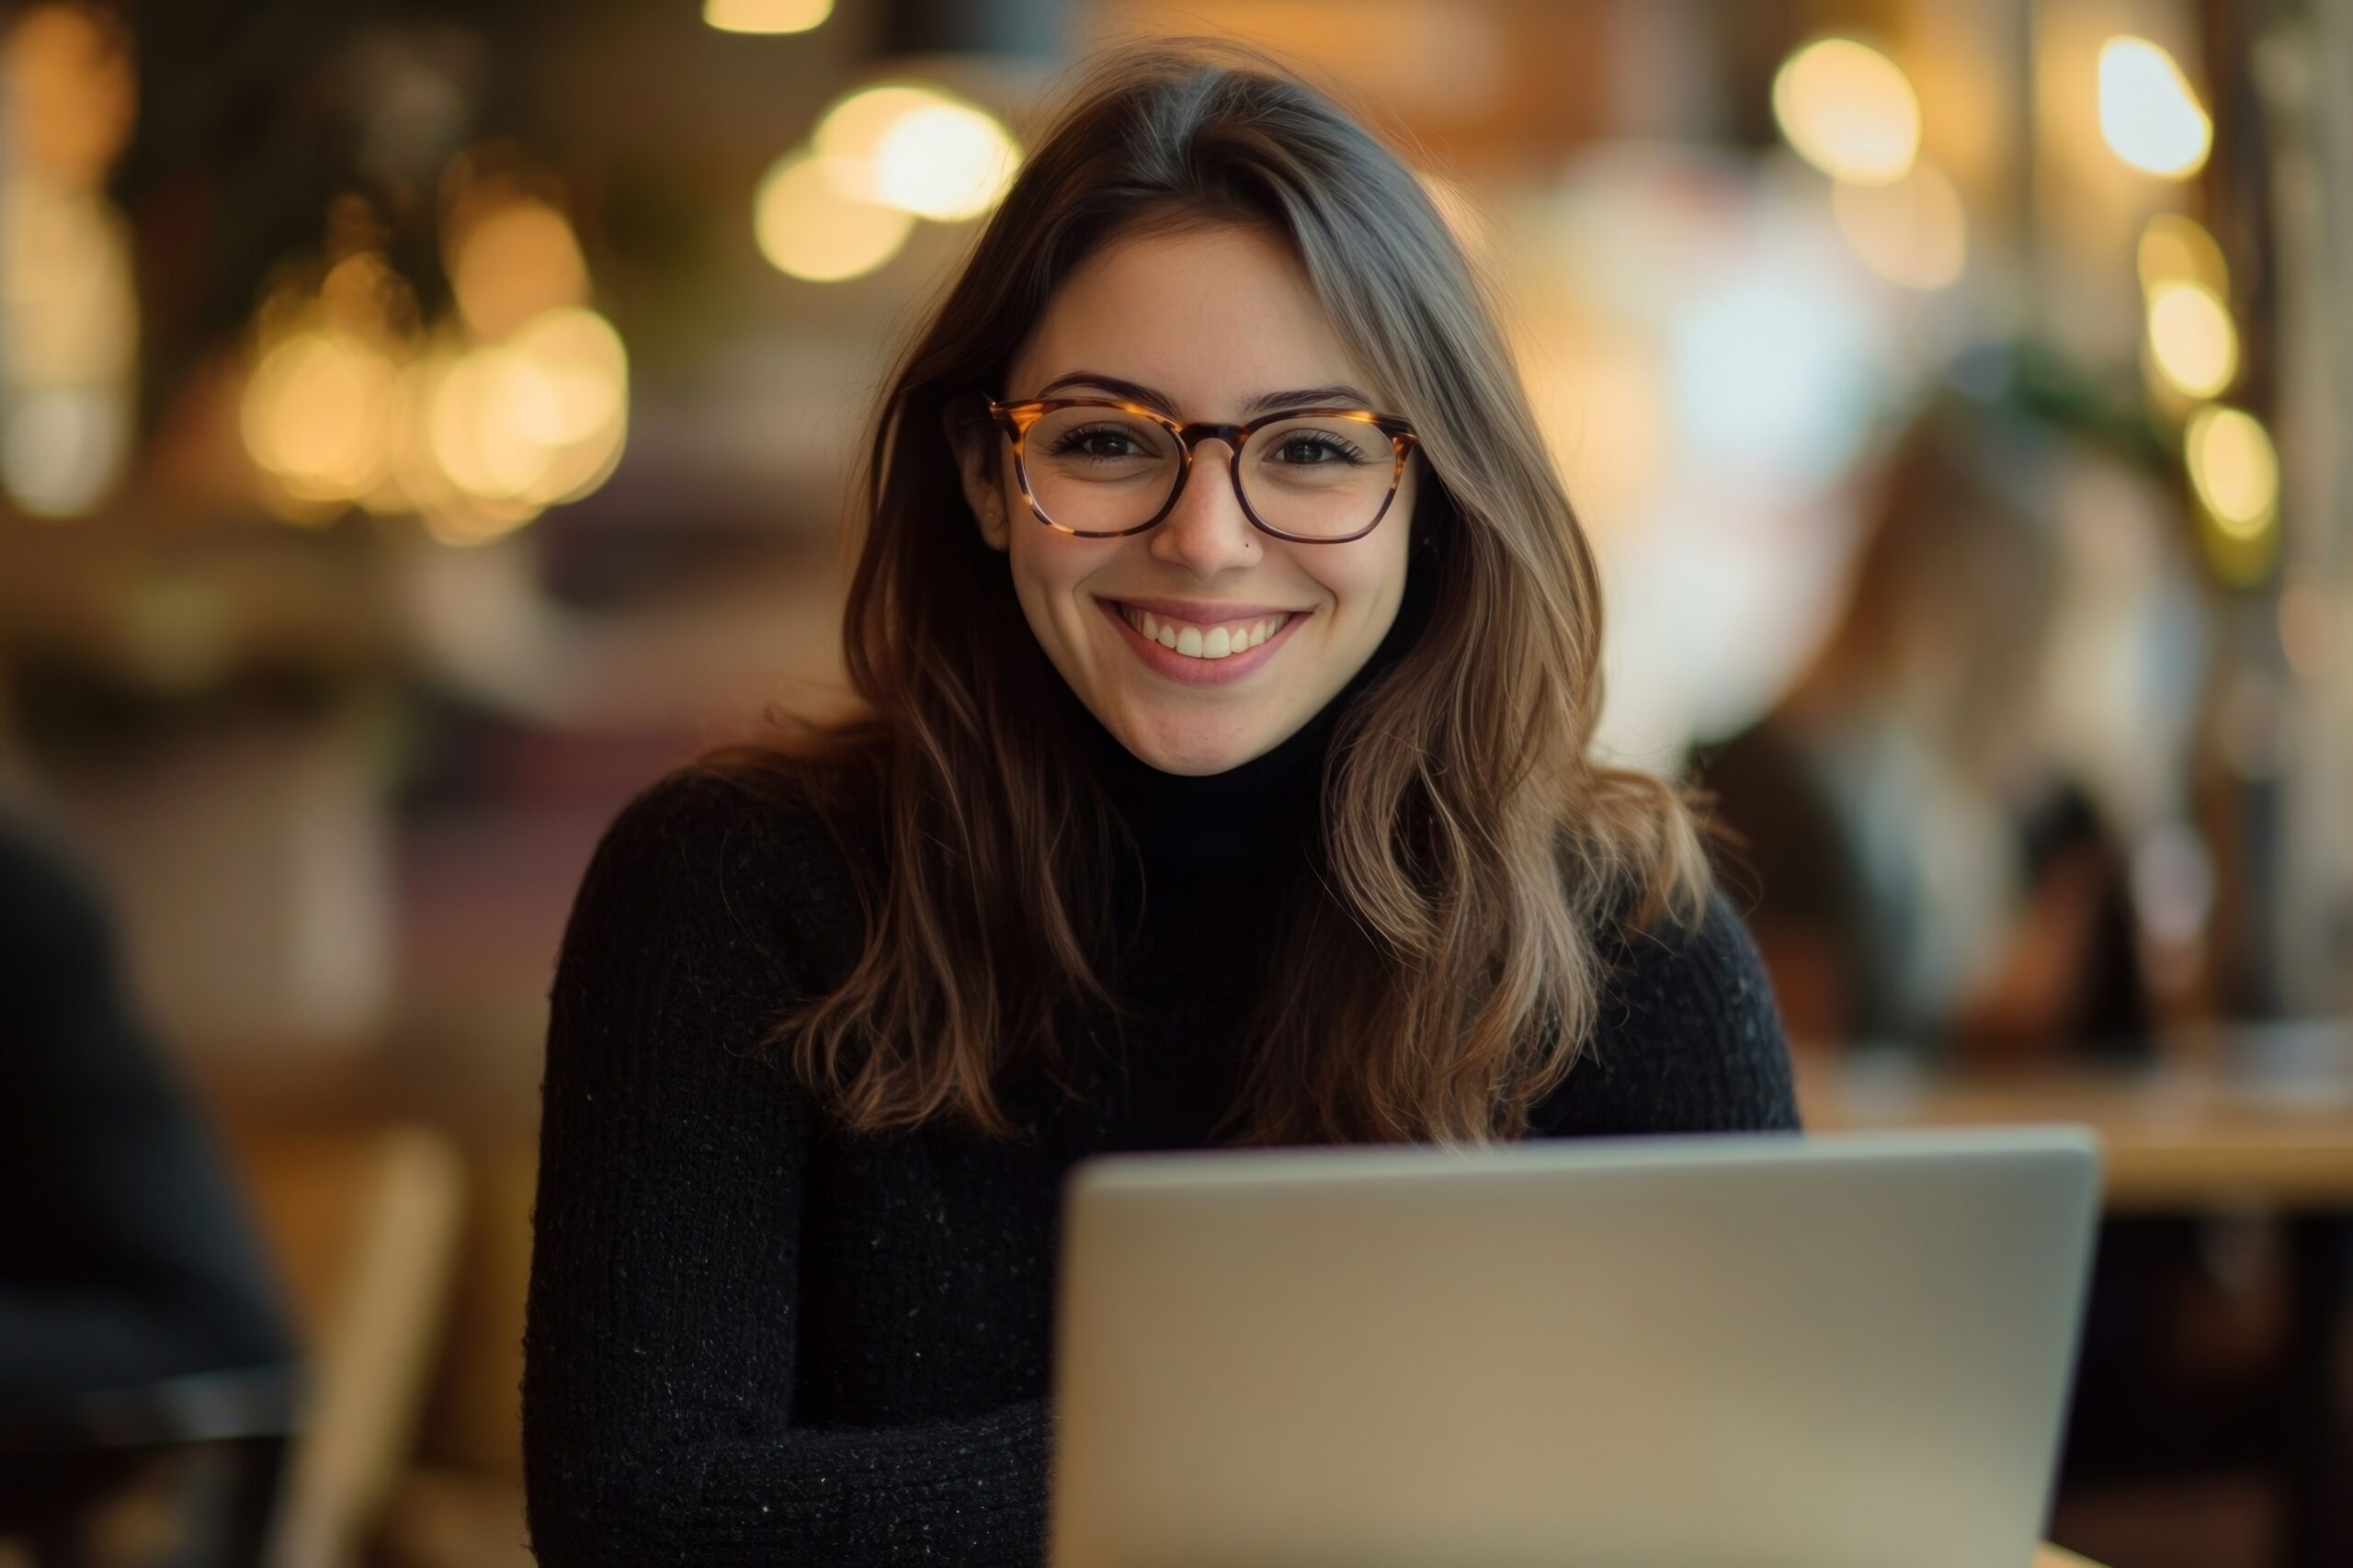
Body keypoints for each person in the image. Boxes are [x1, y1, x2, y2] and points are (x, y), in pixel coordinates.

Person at [521, 39, 1797, 1567]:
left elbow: (1767, 1507)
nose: (1204, 539)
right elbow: (640, 1522)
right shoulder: (730, 891)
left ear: (1435, 498)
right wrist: (1299, 1447)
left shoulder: (1627, 945)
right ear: (987, 478)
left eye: (1314, 448)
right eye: (1109, 441)